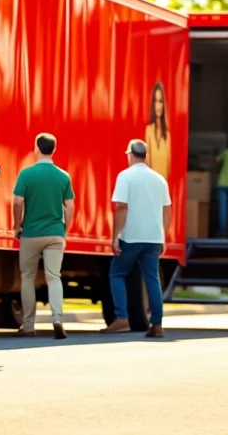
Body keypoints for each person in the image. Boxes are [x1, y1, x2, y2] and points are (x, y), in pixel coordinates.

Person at [101, 140, 171, 338]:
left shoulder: (125, 176)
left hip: (131, 237)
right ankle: (157, 324)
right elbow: (167, 211)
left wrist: (116, 236)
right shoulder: (159, 179)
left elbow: (121, 207)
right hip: (153, 238)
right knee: (152, 279)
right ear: (146, 156)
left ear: (130, 155)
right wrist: (162, 236)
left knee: (117, 274)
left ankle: (122, 317)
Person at [12, 133, 75, 340]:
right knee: (53, 276)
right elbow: (70, 206)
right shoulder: (63, 176)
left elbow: (17, 201)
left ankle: (28, 325)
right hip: (55, 233)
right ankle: (57, 319)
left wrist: (17, 225)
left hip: (31, 233)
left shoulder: (26, 174)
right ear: (53, 150)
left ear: (37, 149)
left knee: (28, 277)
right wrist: (65, 230)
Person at [144, 82, 170, 179]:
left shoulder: (167, 134)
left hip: (163, 183)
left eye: (160, 101)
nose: (158, 106)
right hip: (151, 182)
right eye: (156, 101)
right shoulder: (149, 131)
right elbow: (147, 162)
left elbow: (168, 167)